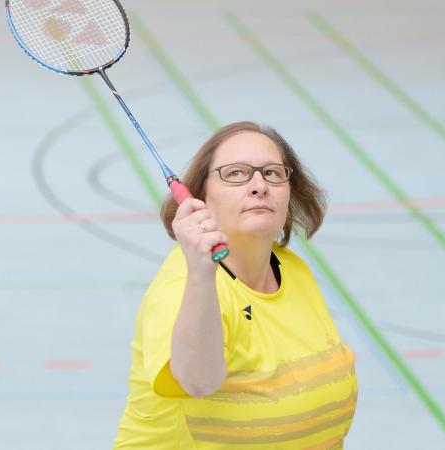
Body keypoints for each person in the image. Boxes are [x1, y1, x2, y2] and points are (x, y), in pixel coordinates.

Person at [114, 122, 357, 449]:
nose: (259, 185)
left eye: (272, 173)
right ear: (202, 197)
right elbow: (198, 381)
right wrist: (201, 273)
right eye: (236, 174)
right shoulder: (182, 286)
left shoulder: (293, 269)